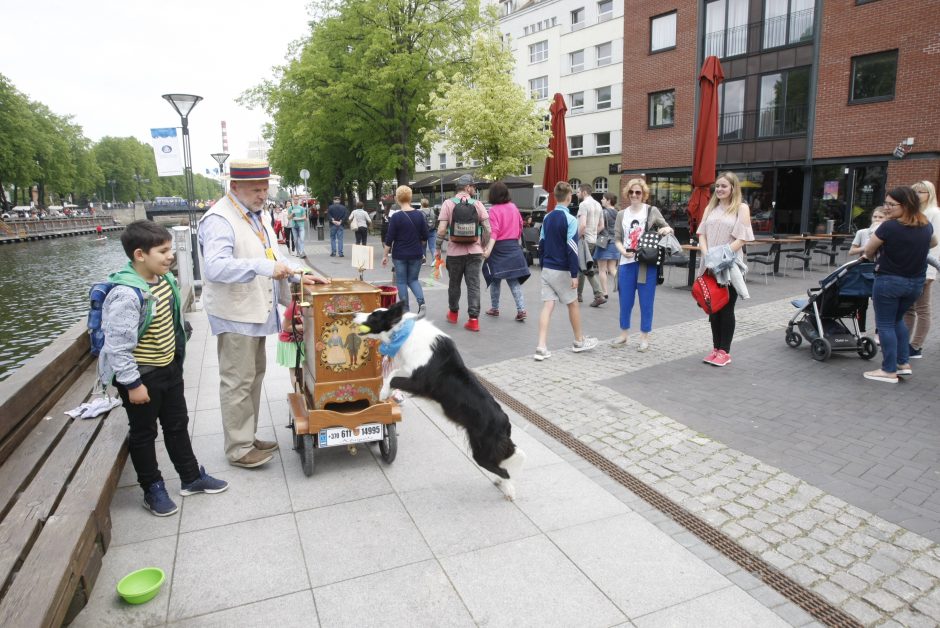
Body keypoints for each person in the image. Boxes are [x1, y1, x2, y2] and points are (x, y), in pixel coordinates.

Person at [198, 159, 329, 468]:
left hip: (254, 309)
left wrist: (300, 273)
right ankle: (239, 448)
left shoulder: (258, 215)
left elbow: (276, 254)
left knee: (252, 377)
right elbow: (215, 267)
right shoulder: (219, 219)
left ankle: (246, 436)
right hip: (236, 313)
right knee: (237, 380)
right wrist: (265, 268)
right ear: (235, 188)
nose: (262, 195)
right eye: (256, 189)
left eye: (265, 188)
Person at [100, 220, 228, 516]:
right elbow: (117, 346)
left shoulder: (165, 280)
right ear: (139, 255)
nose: (170, 256)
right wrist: (132, 384)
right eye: (163, 251)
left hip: (169, 369)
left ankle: (191, 476)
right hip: (141, 376)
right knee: (144, 433)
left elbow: (170, 319)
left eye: (171, 249)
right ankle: (152, 488)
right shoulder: (126, 294)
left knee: (177, 424)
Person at [862, 186, 937, 383]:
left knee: (885, 324)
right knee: (897, 321)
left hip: (889, 282)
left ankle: (888, 370)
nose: (887, 208)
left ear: (905, 205)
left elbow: (869, 251)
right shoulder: (925, 225)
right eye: (886, 203)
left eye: (891, 204)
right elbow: (934, 243)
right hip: (915, 284)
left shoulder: (889, 227)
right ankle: (903, 364)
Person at [533, 181, 598, 361]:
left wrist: (544, 263)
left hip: (547, 268)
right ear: (569, 197)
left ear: (555, 197)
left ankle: (541, 346)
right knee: (573, 303)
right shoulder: (570, 220)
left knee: (547, 306)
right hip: (562, 269)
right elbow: (572, 249)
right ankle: (578, 341)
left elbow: (542, 244)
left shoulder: (547, 218)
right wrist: (574, 274)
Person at [696, 172, 754, 367]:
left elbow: (743, 237)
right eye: (718, 186)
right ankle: (715, 348)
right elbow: (701, 233)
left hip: (729, 266)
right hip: (710, 265)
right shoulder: (710, 207)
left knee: (727, 308)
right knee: (713, 308)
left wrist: (723, 254)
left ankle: (724, 351)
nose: (720, 189)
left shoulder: (741, 208)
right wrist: (707, 254)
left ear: (732, 188)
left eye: (724, 186)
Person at [611, 179, 674, 352]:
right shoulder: (621, 214)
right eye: (631, 192)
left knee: (646, 301)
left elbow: (668, 228)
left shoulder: (651, 211)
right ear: (627, 193)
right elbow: (616, 238)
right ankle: (624, 334)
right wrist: (623, 251)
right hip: (626, 263)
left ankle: (644, 336)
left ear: (644, 194)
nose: (634, 195)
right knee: (625, 301)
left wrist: (664, 230)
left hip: (646, 263)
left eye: (638, 192)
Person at [437, 174, 491, 331]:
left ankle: (453, 314)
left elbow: (441, 229)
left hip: (454, 253)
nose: (474, 189)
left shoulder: (447, 203)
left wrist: (438, 248)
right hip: (475, 253)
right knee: (473, 285)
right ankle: (473, 320)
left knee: (454, 284)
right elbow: (488, 228)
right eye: (473, 187)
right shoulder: (478, 204)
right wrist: (484, 245)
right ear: (467, 188)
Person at [482, 181, 530, 321]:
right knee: (513, 280)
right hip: (513, 246)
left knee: (495, 279)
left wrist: (489, 249)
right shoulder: (514, 207)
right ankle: (521, 310)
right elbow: (521, 225)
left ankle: (495, 308)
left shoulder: (494, 210)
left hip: (498, 248)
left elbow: (494, 232)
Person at [903, 181, 940, 359]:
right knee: (909, 308)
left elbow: (935, 244)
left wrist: (931, 270)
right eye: (914, 191)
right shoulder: (916, 213)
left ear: (930, 193)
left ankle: (916, 345)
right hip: (911, 267)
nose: (917, 195)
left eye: (921, 192)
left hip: (924, 267)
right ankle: (906, 343)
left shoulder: (934, 213)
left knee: (922, 308)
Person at [383, 185, 427, 313]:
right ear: (410, 197)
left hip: (400, 255)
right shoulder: (419, 215)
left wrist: (385, 256)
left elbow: (389, 239)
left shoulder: (396, 217)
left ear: (397, 199)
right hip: (416, 254)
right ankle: (421, 302)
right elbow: (425, 236)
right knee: (413, 280)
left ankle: (405, 309)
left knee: (401, 282)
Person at [848, 206, 886, 335]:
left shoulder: (888, 234)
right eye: (875, 217)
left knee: (879, 303)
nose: (877, 219)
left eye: (881, 217)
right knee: (861, 303)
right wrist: (867, 247)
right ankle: (861, 331)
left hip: (879, 268)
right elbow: (851, 251)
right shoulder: (862, 232)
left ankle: (878, 332)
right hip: (864, 268)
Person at [576, 184, 606, 307]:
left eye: (578, 192)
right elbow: (602, 225)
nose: (576, 194)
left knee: (584, 267)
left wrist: (578, 236)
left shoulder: (583, 205)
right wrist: (593, 233)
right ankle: (579, 295)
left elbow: (582, 225)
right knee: (584, 267)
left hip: (584, 239)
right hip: (593, 239)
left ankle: (598, 294)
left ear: (584, 192)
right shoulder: (598, 204)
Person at [593, 192, 620, 301]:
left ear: (609, 200)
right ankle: (624, 284)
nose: (601, 200)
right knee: (612, 268)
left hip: (604, 242)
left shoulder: (603, 212)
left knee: (602, 269)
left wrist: (594, 233)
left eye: (603, 199)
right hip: (615, 243)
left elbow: (601, 226)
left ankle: (604, 292)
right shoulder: (618, 213)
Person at [276, 300, 304, 384]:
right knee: (295, 371)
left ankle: (303, 392)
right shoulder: (294, 306)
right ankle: (298, 394)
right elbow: (285, 326)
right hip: (290, 341)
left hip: (300, 339)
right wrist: (305, 326)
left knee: (304, 369)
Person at [419, 198, 437, 263]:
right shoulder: (431, 210)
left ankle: (423, 260)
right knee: (432, 246)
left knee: (422, 246)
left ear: (421, 204)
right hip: (432, 230)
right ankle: (434, 260)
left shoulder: (419, 211)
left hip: (423, 232)